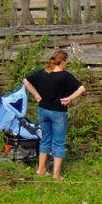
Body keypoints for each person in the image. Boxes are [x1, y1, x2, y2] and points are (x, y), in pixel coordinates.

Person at [23, 50, 85, 181]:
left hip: (43, 110)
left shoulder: (42, 73)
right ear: (62, 61)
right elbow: (81, 89)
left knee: (45, 139)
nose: (66, 64)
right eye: (66, 61)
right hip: (58, 112)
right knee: (59, 141)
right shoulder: (65, 76)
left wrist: (35, 94)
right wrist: (69, 98)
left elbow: (26, 81)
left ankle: (40, 169)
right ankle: (56, 175)